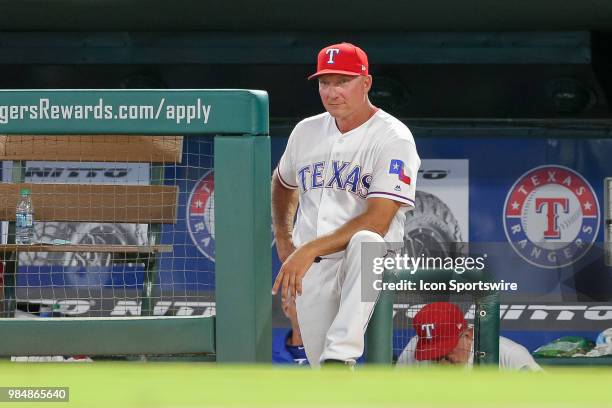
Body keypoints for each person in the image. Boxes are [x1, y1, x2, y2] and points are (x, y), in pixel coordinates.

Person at [271, 42, 421, 367]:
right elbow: (283, 182)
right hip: (314, 265)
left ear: (366, 83)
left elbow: (378, 221)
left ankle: (341, 354)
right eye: (325, 82)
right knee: (321, 371)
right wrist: (284, 238)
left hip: (370, 260)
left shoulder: (393, 137)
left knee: (367, 243)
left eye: (343, 81)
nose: (332, 91)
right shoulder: (305, 131)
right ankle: (337, 369)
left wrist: (306, 249)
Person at [396, 302, 542, 371]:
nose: (441, 362)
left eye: (446, 353)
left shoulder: (508, 355)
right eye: (433, 355)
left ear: (468, 334)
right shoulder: (414, 349)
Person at [272, 296, 309, 365]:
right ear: (286, 309)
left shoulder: (331, 351)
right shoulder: (267, 352)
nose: (308, 309)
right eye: (300, 302)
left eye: (314, 304)